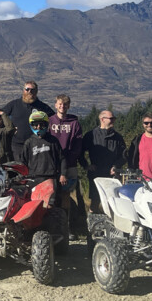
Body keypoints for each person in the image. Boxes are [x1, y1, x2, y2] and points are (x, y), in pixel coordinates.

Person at [48, 94, 87, 235]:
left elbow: (77, 144)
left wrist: (69, 158)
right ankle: (51, 227)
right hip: (51, 165)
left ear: (68, 106)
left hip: (70, 165)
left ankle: (68, 227)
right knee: (50, 195)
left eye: (65, 104)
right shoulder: (49, 121)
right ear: (55, 104)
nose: (62, 106)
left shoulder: (74, 123)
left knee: (67, 196)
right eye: (59, 104)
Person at [82, 110, 127, 213]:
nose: (113, 121)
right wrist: (86, 165)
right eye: (111, 119)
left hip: (113, 175)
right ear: (102, 119)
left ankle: (114, 225)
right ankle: (93, 224)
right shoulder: (91, 135)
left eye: (114, 119)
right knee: (95, 201)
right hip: (96, 174)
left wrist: (116, 166)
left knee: (113, 202)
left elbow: (124, 156)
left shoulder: (118, 137)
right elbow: (80, 153)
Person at [3, 81, 55, 160]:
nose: (29, 92)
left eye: (32, 90)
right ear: (23, 90)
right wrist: (8, 129)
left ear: (36, 91)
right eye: (27, 89)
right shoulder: (14, 104)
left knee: (34, 169)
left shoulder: (43, 107)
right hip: (17, 146)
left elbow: (54, 119)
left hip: (36, 145)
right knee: (18, 170)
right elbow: (2, 116)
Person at [21, 110, 65, 194]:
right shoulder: (29, 142)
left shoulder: (53, 141)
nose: (38, 127)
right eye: (35, 125)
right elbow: (23, 162)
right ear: (31, 125)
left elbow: (62, 158)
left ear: (47, 125)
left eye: (42, 124)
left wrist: (63, 174)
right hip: (33, 178)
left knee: (50, 204)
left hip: (51, 177)